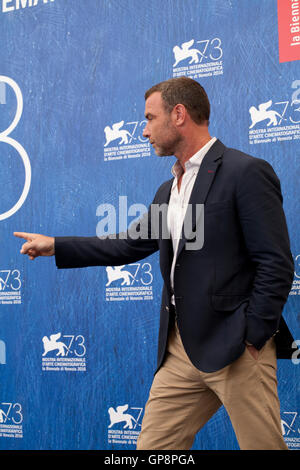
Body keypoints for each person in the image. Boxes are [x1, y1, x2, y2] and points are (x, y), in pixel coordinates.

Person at [14, 77, 295, 450]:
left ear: (179, 115)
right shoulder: (168, 190)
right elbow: (130, 244)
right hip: (179, 350)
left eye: (149, 118)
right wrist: (57, 246)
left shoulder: (245, 173)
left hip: (237, 347)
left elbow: (275, 264)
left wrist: (252, 335)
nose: (143, 131)